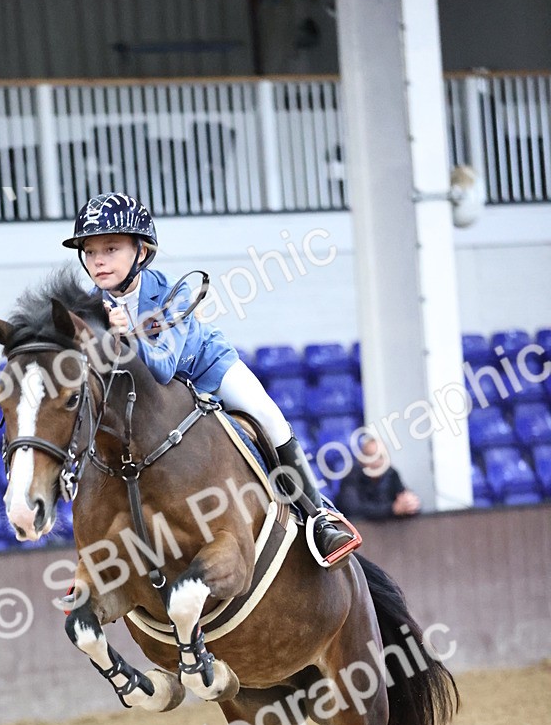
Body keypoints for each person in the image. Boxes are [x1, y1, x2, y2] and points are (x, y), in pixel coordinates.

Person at [62, 192, 360, 568]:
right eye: (90, 252)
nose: (98, 261)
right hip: (150, 404)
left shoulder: (174, 290)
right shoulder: (88, 310)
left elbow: (164, 367)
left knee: (267, 416)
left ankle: (318, 516)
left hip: (207, 372)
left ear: (141, 251)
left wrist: (127, 335)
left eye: (110, 248)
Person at [338, 436, 422, 520]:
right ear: (362, 459)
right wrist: (392, 509)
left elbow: (403, 499)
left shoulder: (391, 473)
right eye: (371, 456)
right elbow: (352, 509)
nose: (376, 462)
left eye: (380, 456)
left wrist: (409, 504)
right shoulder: (352, 476)